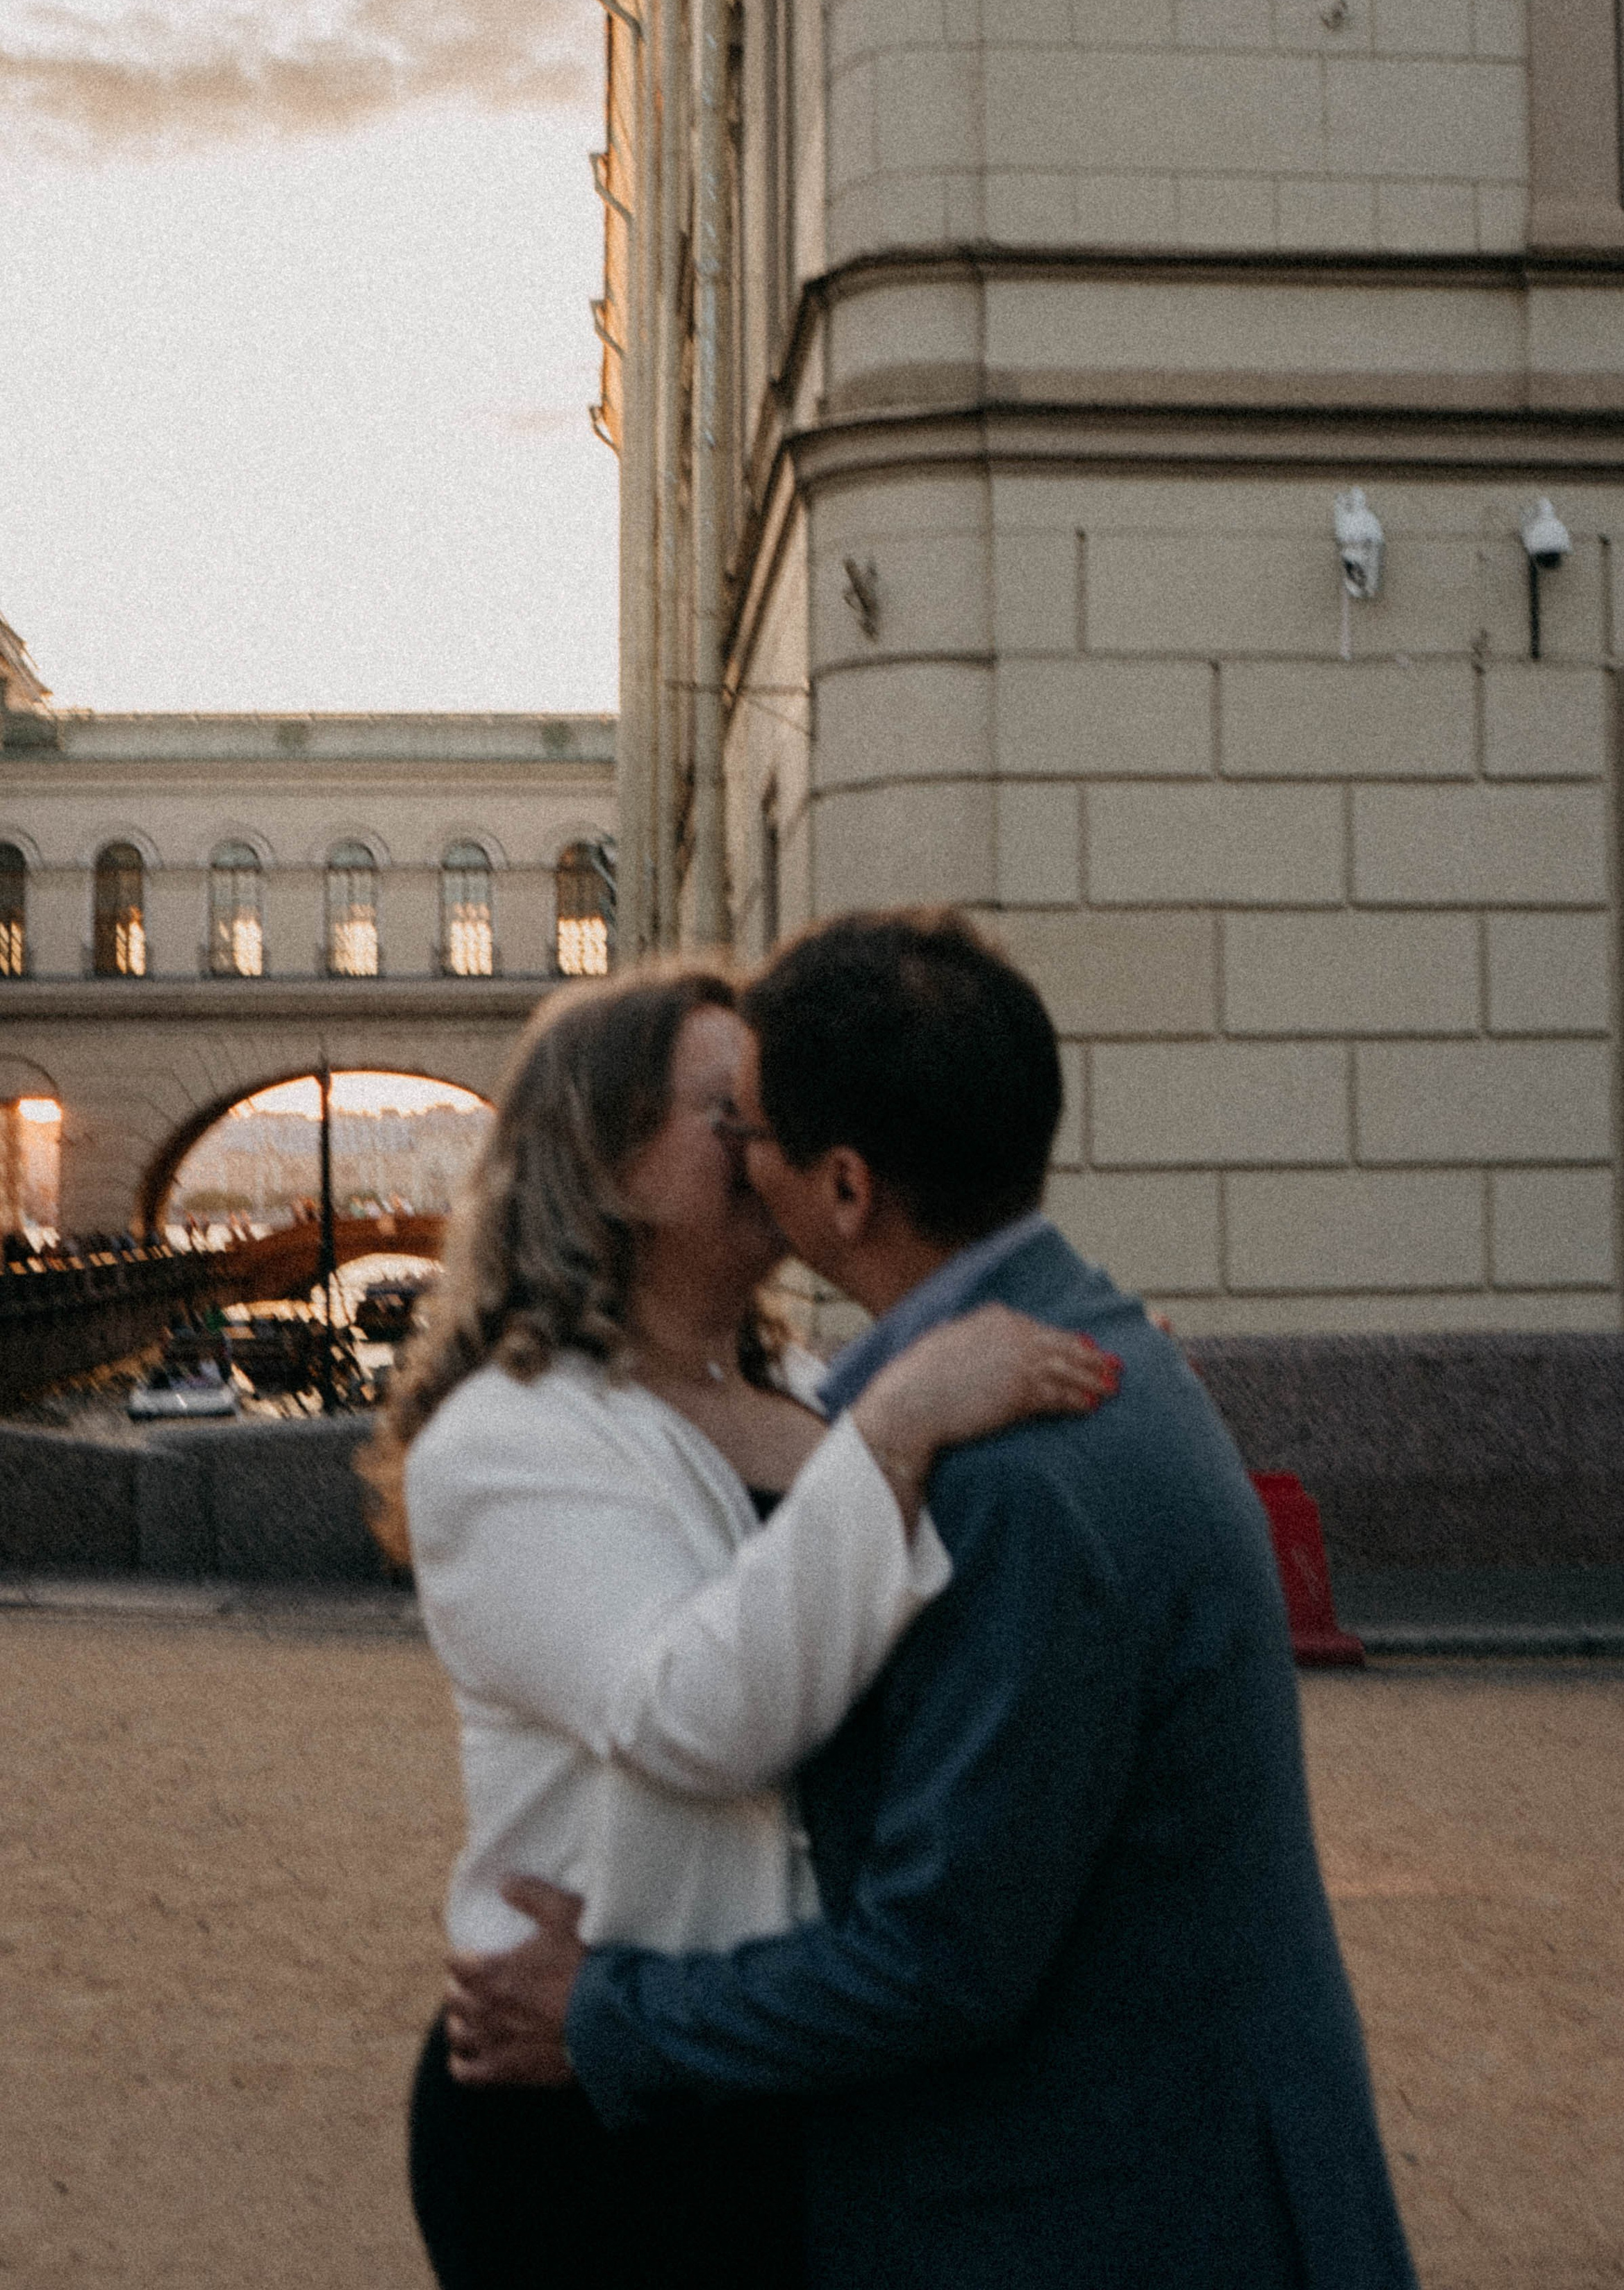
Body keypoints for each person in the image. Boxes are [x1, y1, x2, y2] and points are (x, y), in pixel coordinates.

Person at [447, 910, 1420, 2290]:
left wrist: (609, 2014)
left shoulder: (1010, 1465)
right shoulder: (1051, 1366)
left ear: (843, 1190)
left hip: (1098, 2215)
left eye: (756, 1127)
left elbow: (939, 1958)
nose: (742, 1157)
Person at [361, 961, 1112, 2290]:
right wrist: (899, 1428)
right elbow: (697, 1720)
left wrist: (1080, 1404)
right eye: (728, 1109)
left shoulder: (817, 1388)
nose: (770, 1138)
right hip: (581, 2117)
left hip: (766, 2070)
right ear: (602, 1158)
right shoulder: (509, 1437)